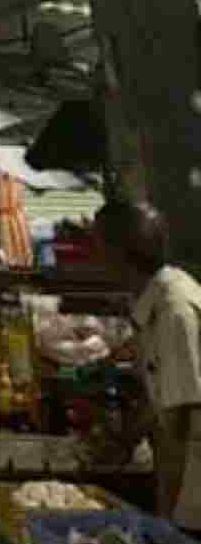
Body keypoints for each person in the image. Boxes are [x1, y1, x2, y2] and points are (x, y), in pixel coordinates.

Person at [95, 199, 201, 524]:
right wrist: (128, 438)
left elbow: (180, 417)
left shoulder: (174, 309)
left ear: (117, 252)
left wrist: (166, 514)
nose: (92, 255)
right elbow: (162, 395)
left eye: (97, 245)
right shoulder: (154, 299)